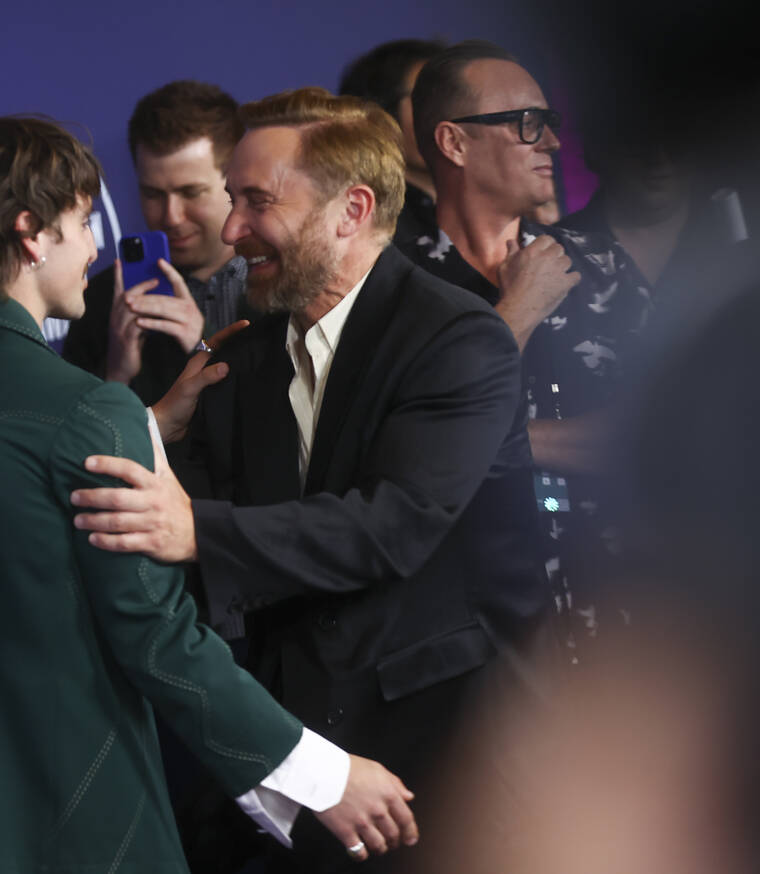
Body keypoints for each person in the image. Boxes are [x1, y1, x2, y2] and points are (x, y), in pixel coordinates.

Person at [0, 116, 418, 874]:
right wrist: (323, 777)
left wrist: (139, 426)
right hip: (66, 805)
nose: (94, 248)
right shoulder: (84, 409)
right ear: (30, 233)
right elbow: (158, 639)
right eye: (82, 222)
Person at [70, 88, 549, 873]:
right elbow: (182, 507)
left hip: (450, 769)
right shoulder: (245, 349)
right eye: (232, 200)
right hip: (299, 776)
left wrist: (199, 531)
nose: (230, 230)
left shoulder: (457, 338)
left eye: (256, 201)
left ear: (351, 210)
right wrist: (154, 427)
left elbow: (393, 524)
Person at [407, 40, 654, 658]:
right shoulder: (395, 292)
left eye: (549, 124)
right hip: (470, 644)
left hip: (623, 621)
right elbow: (409, 466)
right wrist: (513, 315)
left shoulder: (601, 267)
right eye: (526, 124)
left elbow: (654, 436)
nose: (551, 143)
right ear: (454, 143)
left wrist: (500, 440)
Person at [63, 81, 258, 405]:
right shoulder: (99, 301)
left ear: (235, 181)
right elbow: (75, 444)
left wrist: (203, 345)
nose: (171, 217)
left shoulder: (285, 286)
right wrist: (116, 375)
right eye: (153, 194)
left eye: (191, 192)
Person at [339, 38, 447, 249]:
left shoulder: (493, 209)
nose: (454, 115)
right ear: (382, 115)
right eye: (433, 97)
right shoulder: (365, 224)